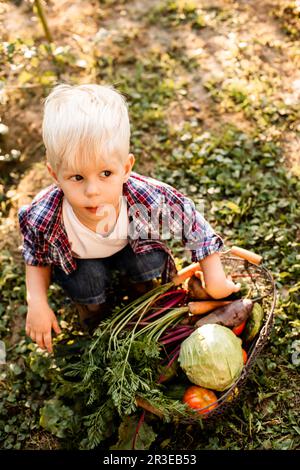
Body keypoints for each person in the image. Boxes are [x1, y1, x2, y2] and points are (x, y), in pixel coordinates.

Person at [18, 83, 240, 354]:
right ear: (55, 175)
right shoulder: (45, 215)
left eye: (106, 174)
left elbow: (191, 222)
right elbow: (36, 257)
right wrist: (37, 301)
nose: (92, 191)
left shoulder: (142, 195)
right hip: (80, 262)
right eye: (77, 177)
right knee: (88, 279)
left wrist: (214, 277)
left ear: (125, 168)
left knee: (148, 260)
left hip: (130, 248)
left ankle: (142, 290)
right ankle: (96, 311)